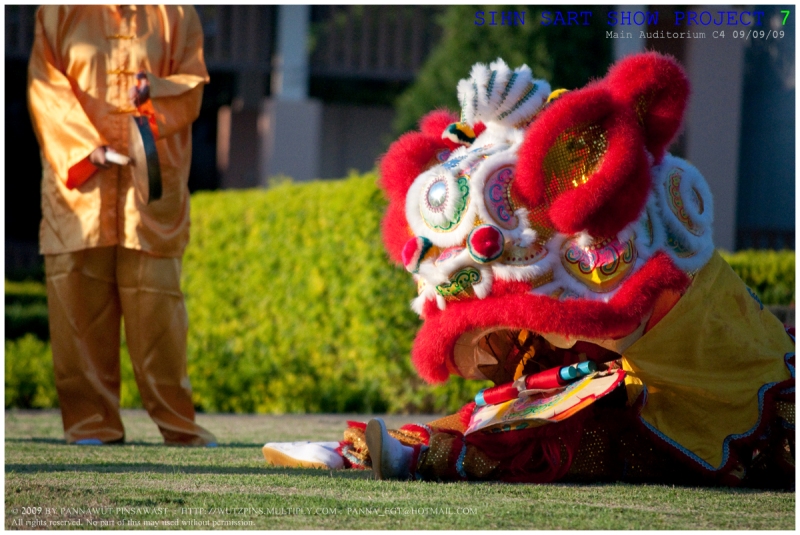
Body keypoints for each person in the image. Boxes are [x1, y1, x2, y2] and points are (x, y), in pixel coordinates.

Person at [28, 5, 216, 446]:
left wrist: (156, 91)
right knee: (77, 309)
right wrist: (85, 148)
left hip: (149, 186)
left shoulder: (175, 13)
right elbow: (44, 87)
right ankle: (91, 426)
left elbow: (193, 83)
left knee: (159, 314)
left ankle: (179, 426)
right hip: (79, 191)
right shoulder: (59, 12)